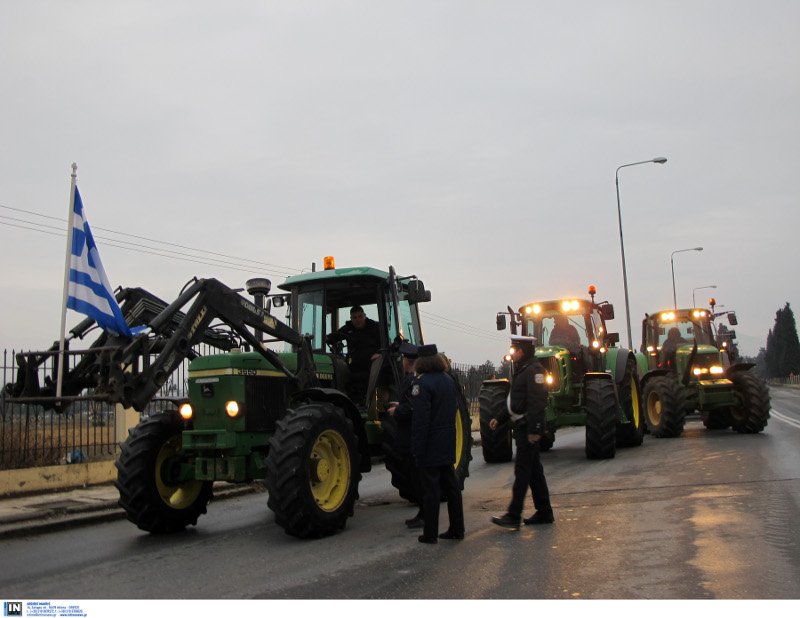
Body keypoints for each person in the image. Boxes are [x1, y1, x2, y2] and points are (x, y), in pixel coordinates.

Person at [490, 335, 554, 530]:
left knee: (523, 470)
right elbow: (515, 400)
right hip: (522, 425)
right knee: (534, 471)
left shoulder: (535, 371)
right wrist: (499, 418)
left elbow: (537, 402)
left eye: (515, 349)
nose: (512, 353)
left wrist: (535, 430)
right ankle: (544, 512)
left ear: (523, 351)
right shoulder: (523, 370)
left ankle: (513, 515)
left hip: (528, 427)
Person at [410, 344, 465, 544]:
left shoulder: (421, 384)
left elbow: (421, 420)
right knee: (451, 487)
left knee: (431, 490)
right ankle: (457, 529)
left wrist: (418, 447)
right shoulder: (448, 380)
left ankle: (430, 533)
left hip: (431, 443)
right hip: (448, 439)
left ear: (421, 362)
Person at [386, 340, 424, 529]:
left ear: (406, 362)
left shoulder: (414, 381)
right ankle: (424, 514)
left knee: (417, 475)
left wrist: (398, 411)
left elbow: (414, 407)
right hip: (408, 438)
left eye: (402, 359)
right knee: (415, 474)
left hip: (411, 438)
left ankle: (425, 515)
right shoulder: (410, 380)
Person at [326, 305, 382, 402]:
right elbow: (335, 336)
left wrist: (379, 353)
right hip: (353, 365)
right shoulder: (348, 328)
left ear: (364, 316)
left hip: (372, 364)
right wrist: (328, 338)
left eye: (360, 316)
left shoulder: (375, 327)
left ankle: (372, 400)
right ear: (351, 318)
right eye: (354, 318)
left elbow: (385, 343)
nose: (358, 320)